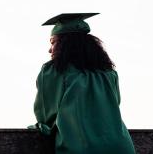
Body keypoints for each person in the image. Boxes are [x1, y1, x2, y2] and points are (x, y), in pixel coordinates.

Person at [29, 13, 136, 154]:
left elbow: (46, 115)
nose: (50, 49)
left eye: (53, 42)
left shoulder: (54, 71)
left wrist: (40, 127)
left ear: (64, 45)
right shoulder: (109, 73)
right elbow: (114, 105)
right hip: (121, 147)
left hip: (79, 148)